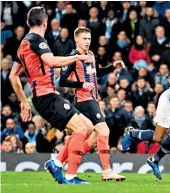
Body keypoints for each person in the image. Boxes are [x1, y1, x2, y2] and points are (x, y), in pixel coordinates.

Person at [9, 7, 100, 185]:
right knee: (81, 129)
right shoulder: (36, 40)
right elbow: (51, 61)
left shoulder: (23, 45)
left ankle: (56, 163)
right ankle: (69, 175)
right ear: (45, 23)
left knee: (89, 127)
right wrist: (77, 58)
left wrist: (23, 102)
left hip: (43, 96)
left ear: (28, 23)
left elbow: (13, 76)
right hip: (45, 96)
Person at [46, 27, 125, 182]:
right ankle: (106, 171)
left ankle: (60, 160)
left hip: (92, 98)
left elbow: (94, 73)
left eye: (89, 39)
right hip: (84, 100)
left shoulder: (89, 55)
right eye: (84, 39)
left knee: (93, 135)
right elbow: (61, 80)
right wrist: (81, 84)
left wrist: (111, 67)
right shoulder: (73, 57)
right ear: (76, 39)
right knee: (103, 129)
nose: (87, 42)